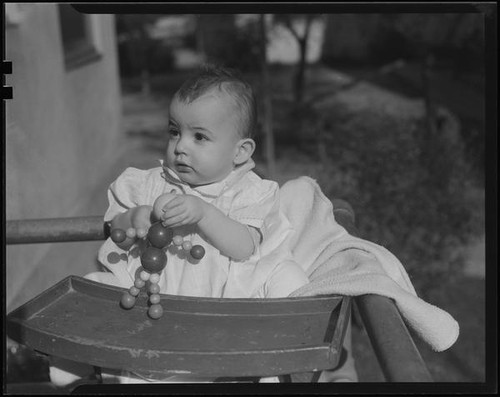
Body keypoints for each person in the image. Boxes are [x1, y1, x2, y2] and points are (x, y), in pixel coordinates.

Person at [49, 64, 310, 385]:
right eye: (175, 131)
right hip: (151, 304)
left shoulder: (249, 191)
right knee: (93, 286)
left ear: (240, 152)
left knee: (287, 277)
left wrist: (205, 214)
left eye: (199, 137)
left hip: (226, 311)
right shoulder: (147, 183)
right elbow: (117, 229)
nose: (181, 146)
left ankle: (281, 356)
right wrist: (136, 218)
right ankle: (81, 355)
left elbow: (245, 248)